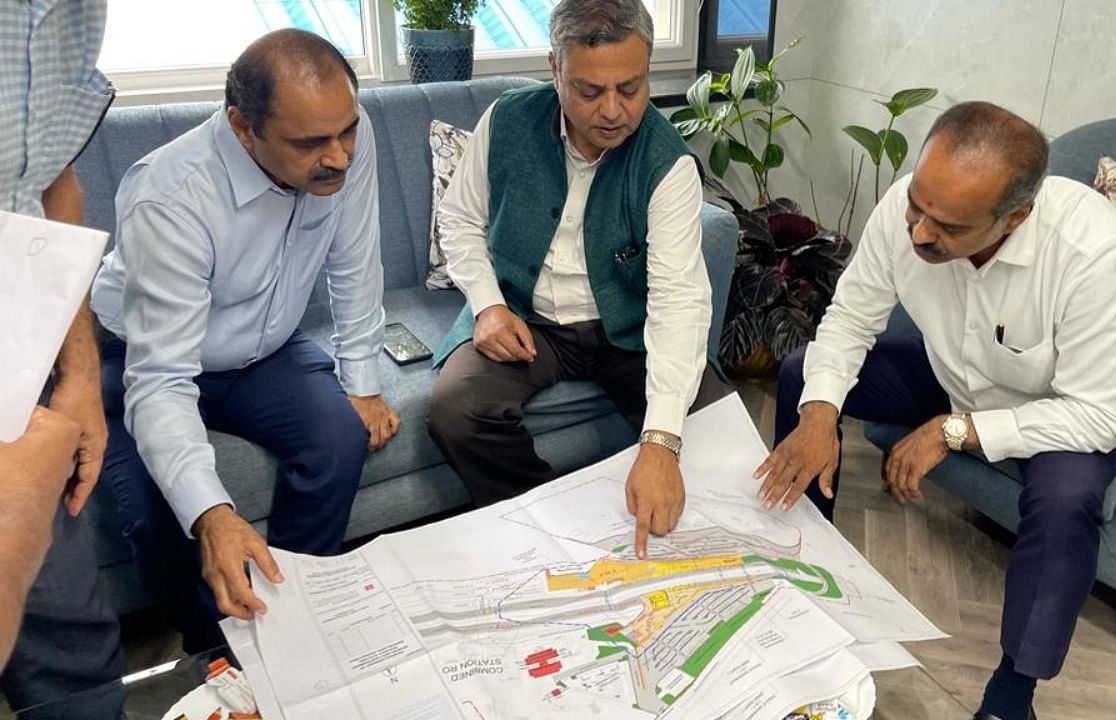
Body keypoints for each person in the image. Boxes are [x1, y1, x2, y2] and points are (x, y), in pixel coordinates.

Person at [756, 102, 1116, 720]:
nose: (917, 233)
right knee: (805, 376)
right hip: (953, 379)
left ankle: (1012, 694)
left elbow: (1100, 415)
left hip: (1058, 413)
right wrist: (818, 416)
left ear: (1014, 215)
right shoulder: (908, 210)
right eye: (917, 205)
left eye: (946, 227)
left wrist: (954, 431)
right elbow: (851, 320)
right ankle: (808, 570)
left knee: (1067, 501)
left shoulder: (1088, 251)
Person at [92, 29, 399, 653]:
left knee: (340, 437)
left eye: (346, 132)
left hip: (266, 351)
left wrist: (363, 385)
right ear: (242, 126)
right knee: (157, 515)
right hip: (143, 356)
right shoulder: (170, 196)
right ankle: (216, 650)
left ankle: (286, 615)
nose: (339, 156)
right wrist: (213, 515)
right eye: (311, 142)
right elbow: (161, 381)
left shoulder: (345, 135)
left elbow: (355, 261)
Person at [429, 0, 723, 559]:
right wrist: (488, 305)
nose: (613, 110)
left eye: (631, 88)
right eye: (589, 91)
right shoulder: (508, 120)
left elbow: (679, 301)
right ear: (554, 70)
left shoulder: (670, 164)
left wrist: (661, 442)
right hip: (526, 319)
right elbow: (460, 219)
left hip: (628, 330)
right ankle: (549, 534)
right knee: (455, 410)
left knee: (715, 423)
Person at [0, 0, 125, 716]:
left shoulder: (79, 13)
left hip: (30, 361)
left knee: (74, 640)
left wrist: (77, 373)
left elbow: (51, 185)